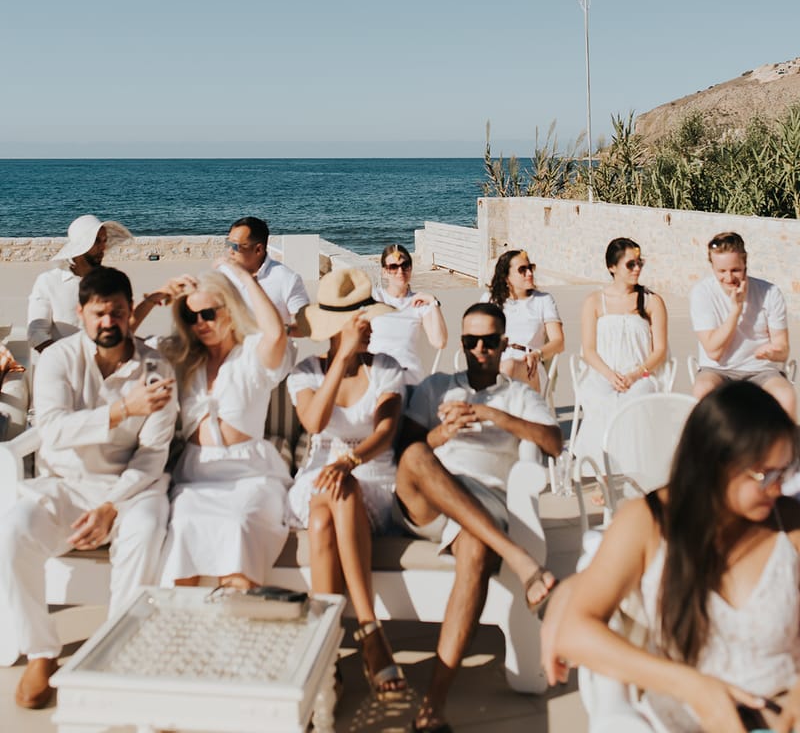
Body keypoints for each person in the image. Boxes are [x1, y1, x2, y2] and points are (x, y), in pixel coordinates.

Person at [544, 381, 800, 733]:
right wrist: (693, 686)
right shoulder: (647, 522)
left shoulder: (789, 523)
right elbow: (574, 631)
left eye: (785, 471)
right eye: (765, 475)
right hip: (682, 720)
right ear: (717, 463)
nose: (778, 487)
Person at [0, 266, 177, 709]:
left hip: (131, 489)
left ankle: (114, 653)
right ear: (81, 313)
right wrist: (122, 410)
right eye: (99, 313)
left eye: (117, 312)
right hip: (66, 485)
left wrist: (112, 507)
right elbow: (54, 431)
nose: (108, 322)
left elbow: (152, 456)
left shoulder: (156, 368)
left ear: (130, 312)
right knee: (13, 531)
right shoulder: (59, 358)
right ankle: (42, 653)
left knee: (146, 528)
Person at [394, 301, 563, 733]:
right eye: (471, 341)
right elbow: (406, 453)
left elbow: (553, 443)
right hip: (430, 500)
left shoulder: (519, 394)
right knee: (417, 452)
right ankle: (520, 559)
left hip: (484, 501)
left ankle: (433, 703)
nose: (480, 349)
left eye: (489, 341)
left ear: (504, 342)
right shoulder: (437, 387)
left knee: (474, 553)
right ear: (463, 343)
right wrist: (442, 433)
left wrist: (493, 416)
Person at [288, 268, 407, 700]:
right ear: (337, 329)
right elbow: (314, 422)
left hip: (371, 474)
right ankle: (368, 631)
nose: (370, 330)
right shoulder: (306, 371)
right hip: (317, 476)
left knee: (338, 499)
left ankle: (332, 645)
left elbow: (386, 430)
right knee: (326, 505)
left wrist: (350, 460)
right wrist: (341, 360)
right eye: (361, 324)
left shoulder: (387, 368)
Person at [159, 263, 294, 589]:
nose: (200, 324)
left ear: (230, 309)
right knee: (184, 523)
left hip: (249, 475)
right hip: (196, 474)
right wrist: (156, 298)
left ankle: (236, 624)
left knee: (238, 523)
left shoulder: (251, 355)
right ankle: (179, 629)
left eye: (207, 313)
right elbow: (123, 347)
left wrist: (246, 279)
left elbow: (276, 334)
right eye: (191, 318)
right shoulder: (183, 357)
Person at [571, 238, 668, 467]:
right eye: (630, 264)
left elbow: (660, 350)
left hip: (641, 374)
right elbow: (589, 350)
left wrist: (635, 375)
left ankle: (633, 469)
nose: (637, 269)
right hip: (603, 373)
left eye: (639, 263)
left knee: (633, 402)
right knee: (603, 401)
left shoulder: (652, 302)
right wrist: (609, 375)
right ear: (612, 267)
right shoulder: (594, 301)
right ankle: (603, 472)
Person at [690, 231, 795, 418]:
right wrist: (736, 310)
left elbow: (783, 349)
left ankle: (784, 447)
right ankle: (709, 446)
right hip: (718, 370)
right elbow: (714, 351)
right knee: (702, 391)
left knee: (786, 397)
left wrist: (773, 352)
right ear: (712, 267)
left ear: (745, 264)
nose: (729, 278)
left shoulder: (770, 293)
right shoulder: (702, 293)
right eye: (721, 271)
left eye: (735, 270)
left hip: (760, 370)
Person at [26, 213, 133, 349]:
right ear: (82, 246)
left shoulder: (109, 280)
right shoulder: (48, 281)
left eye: (104, 240)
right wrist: (66, 360)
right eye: (97, 241)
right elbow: (36, 333)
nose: (103, 247)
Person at [368, 242, 448, 385]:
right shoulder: (374, 298)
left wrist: (433, 302)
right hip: (376, 375)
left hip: (408, 375)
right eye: (393, 267)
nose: (400, 271)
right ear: (384, 272)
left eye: (405, 266)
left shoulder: (420, 302)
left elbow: (439, 342)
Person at [484, 249, 564, 392]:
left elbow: (558, 342)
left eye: (530, 268)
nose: (530, 273)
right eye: (522, 270)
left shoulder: (543, 300)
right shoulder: (489, 300)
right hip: (495, 361)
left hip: (529, 364)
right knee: (499, 369)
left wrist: (537, 354)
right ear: (506, 277)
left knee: (508, 368)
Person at [219, 215, 309, 332]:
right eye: (229, 244)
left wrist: (275, 331)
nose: (230, 251)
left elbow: (305, 326)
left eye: (235, 246)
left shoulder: (287, 279)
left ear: (258, 249)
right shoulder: (223, 272)